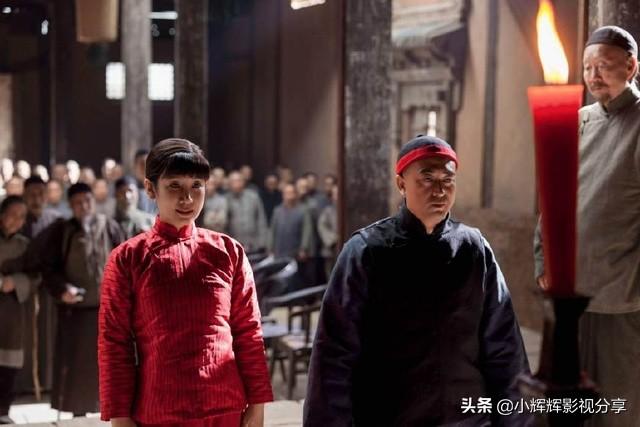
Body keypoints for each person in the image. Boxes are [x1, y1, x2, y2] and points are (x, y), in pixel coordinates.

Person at [304, 135, 531, 426]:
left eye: (447, 180)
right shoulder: (367, 251)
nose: (440, 190)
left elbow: (505, 348)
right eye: (427, 178)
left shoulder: (474, 250)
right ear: (401, 184)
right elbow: (334, 355)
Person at [99, 138, 273, 427]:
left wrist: (257, 404)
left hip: (225, 409)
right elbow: (114, 343)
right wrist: (119, 416)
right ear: (150, 188)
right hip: (159, 411)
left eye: (196, 186)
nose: (187, 198)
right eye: (174, 186)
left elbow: (249, 333)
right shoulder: (128, 259)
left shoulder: (228, 252)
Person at [534, 26, 640, 427]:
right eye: (587, 67)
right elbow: (551, 199)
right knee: (564, 405)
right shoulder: (577, 121)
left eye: (605, 66)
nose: (594, 76)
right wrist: (543, 260)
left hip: (621, 297)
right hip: (567, 293)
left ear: (631, 67)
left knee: (616, 406)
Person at [40, 182, 124, 416]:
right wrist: (62, 289)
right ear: (70, 205)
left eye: (87, 201)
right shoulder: (62, 231)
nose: (83, 206)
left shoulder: (110, 226)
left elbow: (125, 263)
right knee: (77, 368)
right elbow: (49, 269)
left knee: (109, 364)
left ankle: (109, 412)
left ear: (93, 202)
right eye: (77, 203)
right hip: (75, 312)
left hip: (107, 311)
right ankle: (78, 415)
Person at [0, 196, 35, 424]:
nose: (16, 220)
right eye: (12, 214)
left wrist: (16, 282)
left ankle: (2, 410)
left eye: (21, 217)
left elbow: (36, 277)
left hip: (12, 313)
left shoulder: (25, 246)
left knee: (8, 364)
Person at [268, 183, 313, 284]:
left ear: (296, 194)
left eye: (291, 193)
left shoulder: (303, 210)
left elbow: (307, 231)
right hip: (279, 250)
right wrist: (270, 248)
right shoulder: (277, 211)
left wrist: (304, 248)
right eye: (287, 193)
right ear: (283, 195)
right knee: (279, 279)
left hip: (295, 251)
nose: (289, 196)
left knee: (295, 280)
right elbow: (272, 230)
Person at [226, 171, 268, 253]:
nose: (236, 184)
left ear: (243, 182)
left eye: (238, 181)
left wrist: (262, 242)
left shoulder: (253, 197)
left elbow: (261, 219)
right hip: (234, 243)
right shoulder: (226, 199)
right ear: (229, 184)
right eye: (233, 181)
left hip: (254, 242)